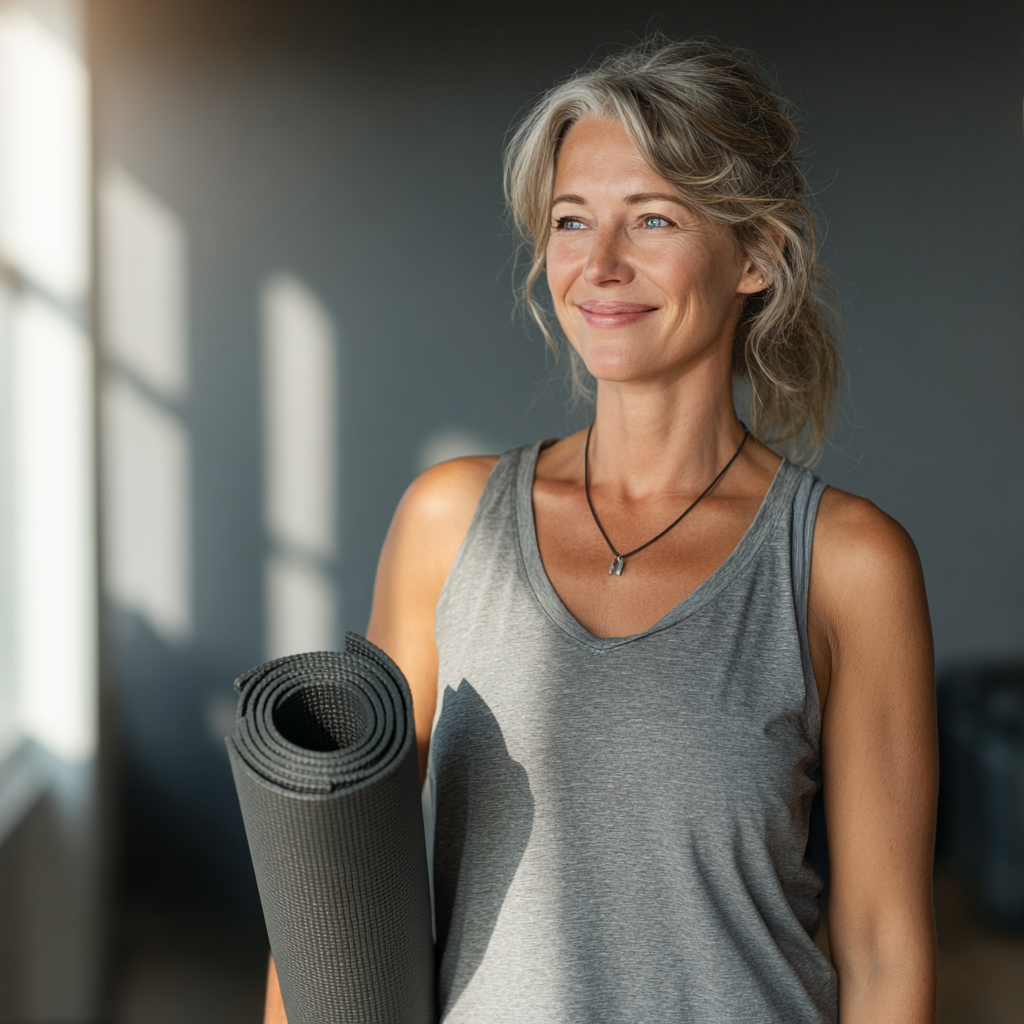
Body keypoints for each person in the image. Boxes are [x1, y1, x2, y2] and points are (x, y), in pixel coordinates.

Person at [264, 39, 937, 1024]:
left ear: (755, 256)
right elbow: (330, 880)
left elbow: (882, 948)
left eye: (653, 218)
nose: (599, 264)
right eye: (571, 220)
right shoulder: (449, 522)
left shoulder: (844, 562)